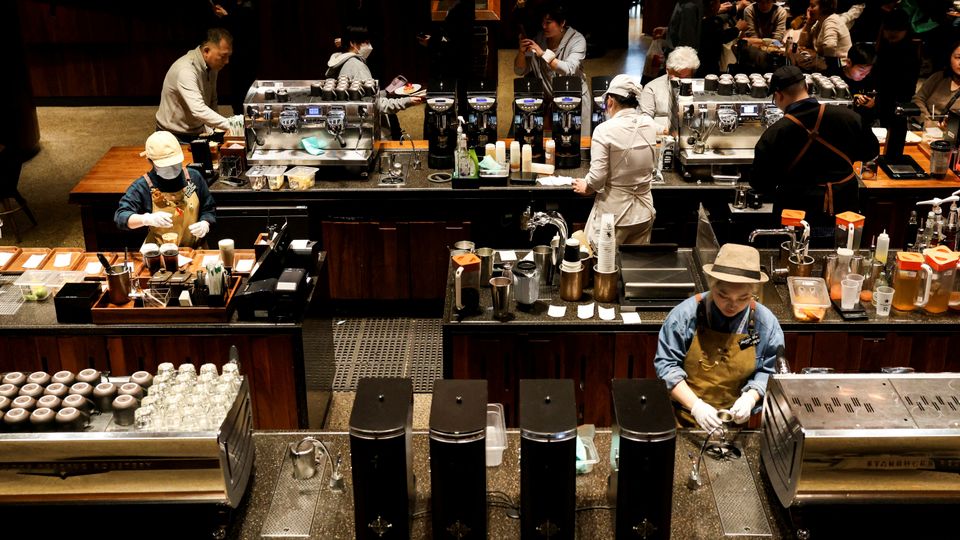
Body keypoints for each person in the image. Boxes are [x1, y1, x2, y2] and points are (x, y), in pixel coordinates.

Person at [654, 243, 784, 430]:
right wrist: (696, 407)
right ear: (712, 285)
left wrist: (750, 397)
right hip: (683, 418)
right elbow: (666, 367)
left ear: (754, 293)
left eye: (743, 298)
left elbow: (770, 371)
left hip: (735, 423)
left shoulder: (765, 324)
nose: (732, 305)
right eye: (723, 296)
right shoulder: (684, 317)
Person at [752, 65, 880, 241]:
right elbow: (870, 152)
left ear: (779, 95)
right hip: (843, 212)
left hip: (795, 216)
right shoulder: (849, 117)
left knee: (794, 254)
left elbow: (760, 183)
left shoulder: (775, 133)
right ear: (807, 87)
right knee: (842, 254)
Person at [572, 75, 658, 247]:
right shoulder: (649, 123)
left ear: (610, 101)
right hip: (644, 213)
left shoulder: (604, 130)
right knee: (634, 262)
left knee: (601, 262)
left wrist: (587, 187)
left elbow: (597, 178)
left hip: (615, 216)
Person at [114, 131, 216, 248]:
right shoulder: (142, 186)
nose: (172, 169)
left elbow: (208, 207)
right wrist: (146, 219)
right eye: (165, 166)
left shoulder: (194, 177)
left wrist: (205, 223)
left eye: (176, 164)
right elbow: (121, 217)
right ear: (150, 161)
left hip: (195, 249)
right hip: (159, 252)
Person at [326, 25, 424, 139]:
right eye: (366, 42)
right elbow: (375, 105)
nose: (370, 46)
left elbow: (361, 96)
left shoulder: (342, 61)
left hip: (353, 128)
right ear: (352, 43)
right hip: (368, 133)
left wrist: (386, 92)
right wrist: (408, 101)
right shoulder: (356, 66)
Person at [514, 2, 590, 133]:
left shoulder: (577, 40)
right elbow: (520, 70)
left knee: (577, 141)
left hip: (575, 100)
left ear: (562, 23)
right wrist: (521, 52)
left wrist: (543, 54)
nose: (544, 26)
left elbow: (568, 69)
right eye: (542, 22)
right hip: (549, 102)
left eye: (548, 22)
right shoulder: (539, 39)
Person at [156, 28, 239, 143]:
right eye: (223, 56)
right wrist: (233, 125)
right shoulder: (185, 70)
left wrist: (217, 128)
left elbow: (212, 101)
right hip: (173, 136)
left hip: (197, 131)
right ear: (206, 51)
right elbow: (198, 109)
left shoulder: (212, 67)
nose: (227, 61)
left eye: (229, 56)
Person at [872, 7, 920, 127]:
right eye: (889, 29)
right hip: (880, 96)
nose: (892, 33)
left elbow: (909, 85)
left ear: (905, 30)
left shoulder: (910, 52)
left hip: (900, 99)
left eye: (897, 30)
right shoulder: (882, 47)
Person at [640, 46, 700, 135]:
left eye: (687, 77)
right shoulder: (651, 88)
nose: (682, 81)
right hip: (660, 136)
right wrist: (665, 131)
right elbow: (643, 120)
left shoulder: (698, 88)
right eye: (677, 76)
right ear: (667, 70)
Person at [795, 0, 853, 74]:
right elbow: (802, 43)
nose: (809, 9)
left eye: (812, 6)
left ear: (824, 8)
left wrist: (817, 55)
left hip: (838, 68)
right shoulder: (820, 21)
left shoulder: (831, 21)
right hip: (828, 64)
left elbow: (829, 46)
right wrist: (809, 22)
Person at [912, 41, 960, 125]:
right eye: (958, 57)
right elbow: (917, 100)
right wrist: (926, 121)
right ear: (949, 58)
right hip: (924, 128)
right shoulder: (939, 77)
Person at [699, 0, 748, 77]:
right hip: (708, 63)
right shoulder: (708, 21)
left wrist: (733, 9)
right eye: (718, 2)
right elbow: (720, 37)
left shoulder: (702, 16)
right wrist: (737, 28)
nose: (720, 5)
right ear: (712, 5)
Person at [841, 42, 878, 125]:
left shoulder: (869, 81)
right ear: (848, 62)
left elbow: (873, 117)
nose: (864, 75)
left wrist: (871, 106)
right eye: (861, 70)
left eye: (868, 71)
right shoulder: (834, 77)